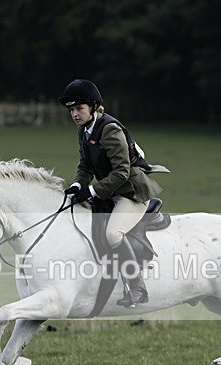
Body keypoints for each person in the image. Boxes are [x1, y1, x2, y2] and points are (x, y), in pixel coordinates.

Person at [58, 79, 164, 307]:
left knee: (113, 234)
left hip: (131, 192)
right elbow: (85, 165)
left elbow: (122, 172)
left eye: (79, 108)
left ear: (93, 106)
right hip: (111, 191)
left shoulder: (109, 129)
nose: (74, 114)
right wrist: (78, 185)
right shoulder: (84, 129)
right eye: (71, 110)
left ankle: (137, 287)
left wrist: (92, 190)